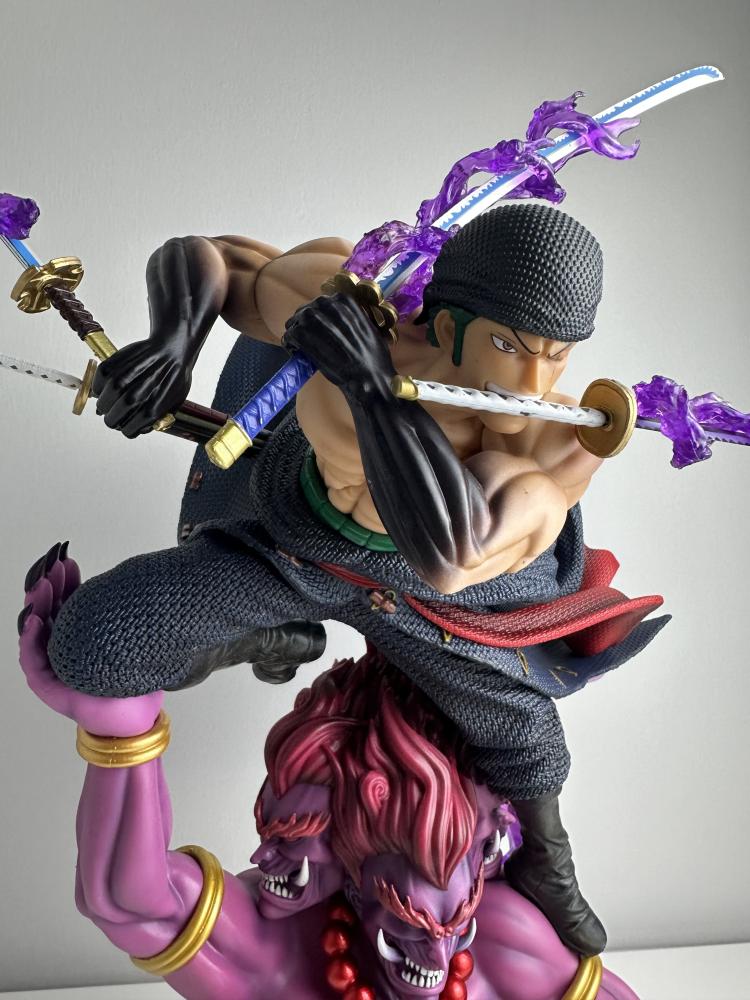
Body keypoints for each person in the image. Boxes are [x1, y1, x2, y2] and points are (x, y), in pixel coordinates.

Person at [46, 202, 669, 956]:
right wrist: (170, 348)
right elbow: (215, 258)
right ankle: (279, 633)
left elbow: (449, 552)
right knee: (93, 646)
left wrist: (369, 388)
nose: (532, 380)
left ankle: (547, 861)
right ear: (447, 326)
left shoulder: (556, 438)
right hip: (300, 541)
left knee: (523, 734)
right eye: (508, 346)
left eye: (557, 354)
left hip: (440, 604)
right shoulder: (364, 311)